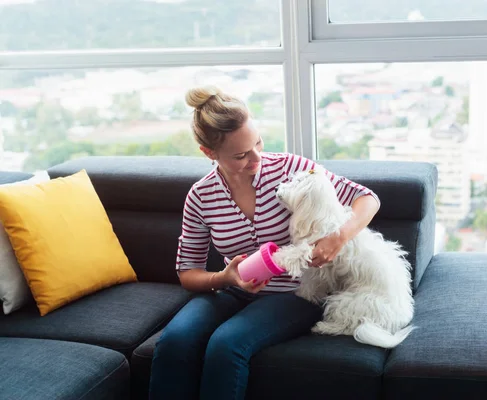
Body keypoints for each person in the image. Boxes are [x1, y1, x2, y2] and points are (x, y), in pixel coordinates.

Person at [148, 85, 381, 400]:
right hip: (231, 291)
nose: (257, 158)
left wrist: (337, 238)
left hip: (295, 293)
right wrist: (224, 278)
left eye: (257, 143)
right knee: (175, 340)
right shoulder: (201, 196)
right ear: (209, 153)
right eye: (241, 155)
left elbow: (367, 199)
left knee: (227, 344)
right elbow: (188, 272)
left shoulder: (291, 169)